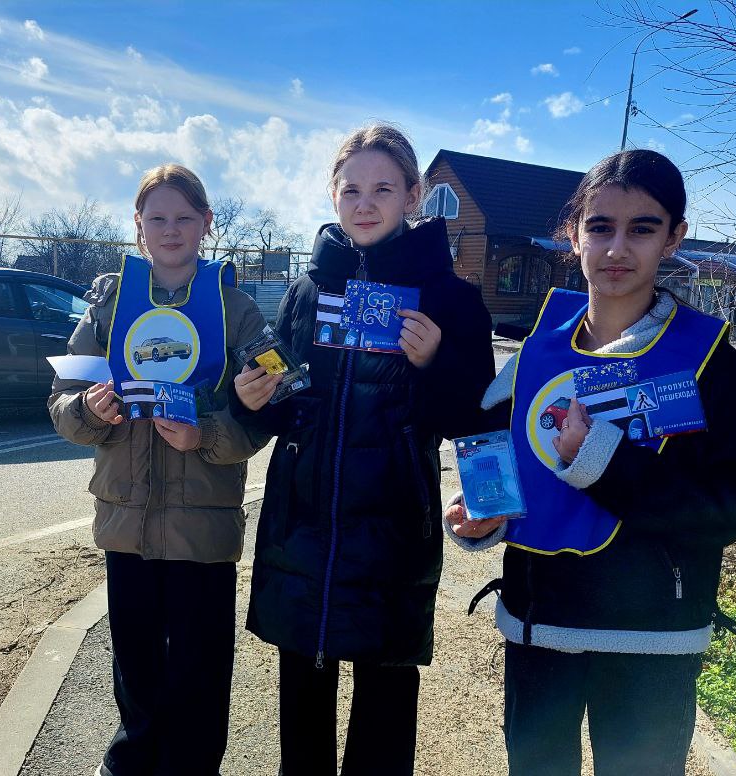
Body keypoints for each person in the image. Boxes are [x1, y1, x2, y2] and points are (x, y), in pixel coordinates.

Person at [444, 149, 736, 775]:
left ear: (674, 237)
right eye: (600, 227)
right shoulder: (536, 350)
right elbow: (501, 470)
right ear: (573, 236)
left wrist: (605, 462)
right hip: (539, 627)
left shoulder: (708, 360)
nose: (617, 248)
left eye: (642, 228)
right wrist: (480, 521)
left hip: (652, 636)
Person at [233, 124, 496, 775]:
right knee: (302, 707)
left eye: (383, 187)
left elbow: (478, 418)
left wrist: (437, 361)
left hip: (393, 531)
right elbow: (285, 409)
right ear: (332, 195)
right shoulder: (305, 291)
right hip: (303, 528)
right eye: (351, 189)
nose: (365, 202)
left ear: (413, 194)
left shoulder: (451, 299)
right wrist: (252, 394)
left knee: (384, 712)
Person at [48, 164, 268, 776]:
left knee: (199, 670)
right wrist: (90, 412)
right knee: (137, 666)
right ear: (139, 227)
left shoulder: (235, 308)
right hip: (127, 522)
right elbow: (62, 400)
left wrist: (206, 435)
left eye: (183, 217)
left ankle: (195, 768)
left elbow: (262, 418)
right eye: (156, 218)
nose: (170, 230)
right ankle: (134, 763)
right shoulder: (111, 304)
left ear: (206, 223)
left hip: (204, 526)